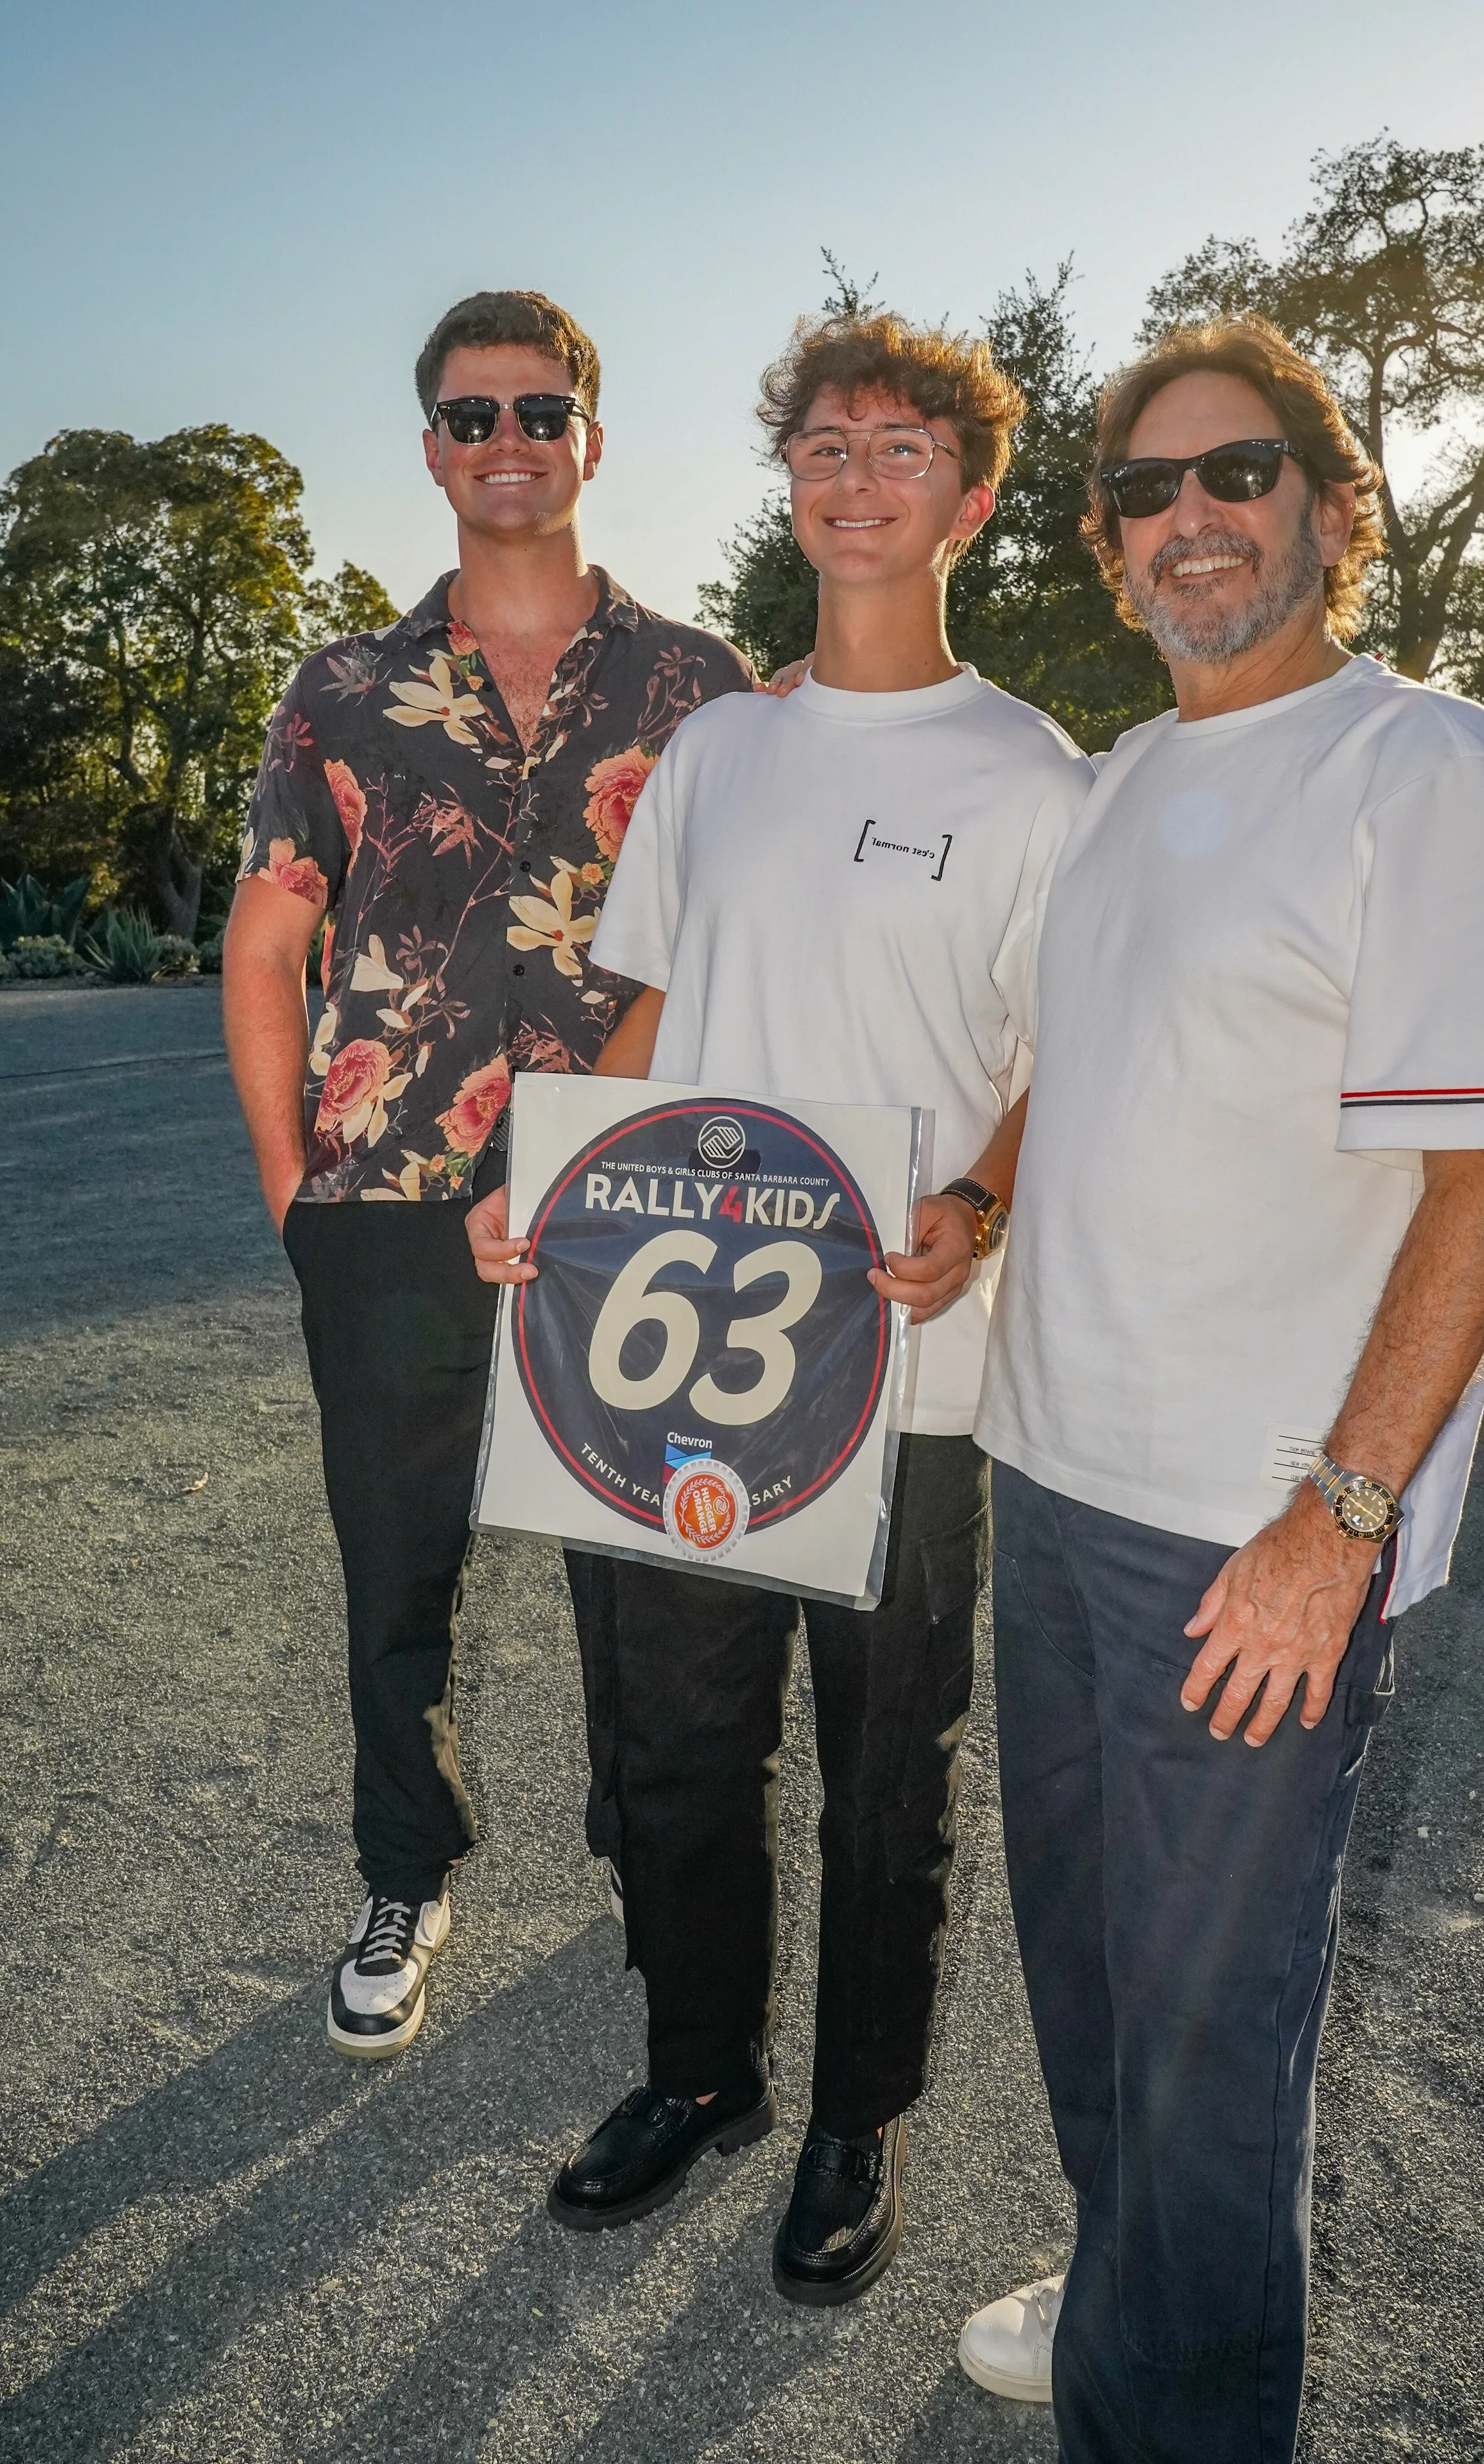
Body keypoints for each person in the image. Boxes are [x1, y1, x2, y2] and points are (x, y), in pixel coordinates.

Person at [959, 315, 1484, 2458]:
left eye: (1234, 475)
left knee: (1212, 2042)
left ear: (1330, 508)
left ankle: (1175, 2403)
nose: (1187, 518)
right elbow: (1071, 1063)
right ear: (1113, 547)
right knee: (1086, 1976)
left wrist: (1337, 1516)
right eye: (1143, 491)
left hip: (1248, 1535)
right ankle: (1130, 2285)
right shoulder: (1120, 784)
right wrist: (967, 1201)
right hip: (1044, 1482)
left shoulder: (1420, 762)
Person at [469, 309, 1095, 2303]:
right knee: (675, 1744)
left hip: (903, 1367)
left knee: (882, 1774)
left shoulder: (1031, 775)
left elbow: (1055, 1051)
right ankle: (699, 2075)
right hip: (695, 1357)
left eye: (899, 447)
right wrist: (553, 1193)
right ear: (791, 481)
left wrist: (978, 1203)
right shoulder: (721, 746)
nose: (852, 473)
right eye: (822, 442)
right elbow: (647, 1002)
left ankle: (853, 2119)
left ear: (969, 499)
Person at [223, 289, 752, 2059]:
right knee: (397, 1567)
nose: (506, 442)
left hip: (631, 1201)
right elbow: (264, 937)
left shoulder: (699, 687)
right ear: (431, 446)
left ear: (591, 440)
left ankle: (650, 1847)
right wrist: (296, 1181)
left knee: (644, 1564)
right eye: (472, 416)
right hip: (388, 1205)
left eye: (540, 411)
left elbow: (749, 939)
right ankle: (404, 1863)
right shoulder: (346, 689)